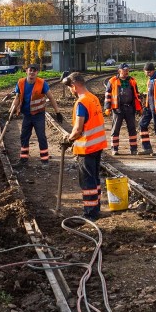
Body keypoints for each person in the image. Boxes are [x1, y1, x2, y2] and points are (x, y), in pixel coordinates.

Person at [62, 73, 107, 221]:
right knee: (94, 178)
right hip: (97, 145)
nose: (70, 90)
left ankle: (90, 213)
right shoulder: (93, 98)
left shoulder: (81, 103)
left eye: (70, 88)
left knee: (87, 181)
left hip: (87, 147)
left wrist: (69, 139)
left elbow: (78, 129)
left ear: (74, 86)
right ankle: (96, 208)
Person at [9, 63, 64, 167]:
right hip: (27, 114)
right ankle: (24, 158)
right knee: (24, 136)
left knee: (41, 136)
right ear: (26, 71)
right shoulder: (21, 83)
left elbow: (51, 98)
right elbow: (17, 98)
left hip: (38, 114)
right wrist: (11, 110)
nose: (32, 72)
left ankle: (44, 160)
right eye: (30, 70)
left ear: (37, 72)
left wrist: (58, 112)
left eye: (34, 71)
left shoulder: (42, 83)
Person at [103, 63, 142, 155]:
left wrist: (139, 107)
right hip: (118, 109)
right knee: (115, 129)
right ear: (119, 71)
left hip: (130, 108)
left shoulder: (132, 81)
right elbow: (107, 95)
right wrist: (107, 107)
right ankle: (114, 149)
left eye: (127, 70)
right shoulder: (112, 81)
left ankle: (134, 149)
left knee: (132, 129)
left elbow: (137, 95)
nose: (126, 72)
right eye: (124, 70)